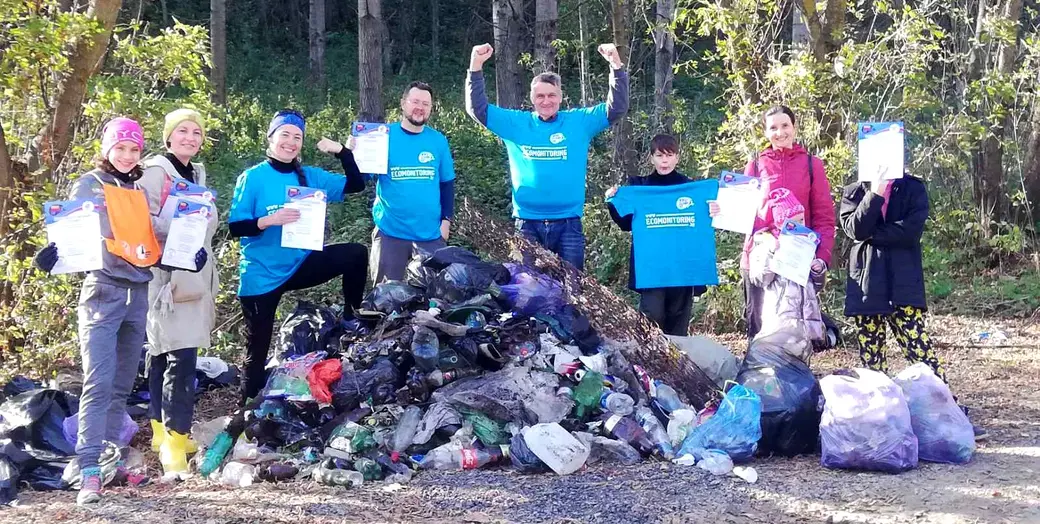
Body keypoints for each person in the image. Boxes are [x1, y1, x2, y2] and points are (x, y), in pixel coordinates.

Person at [32, 117, 207, 505]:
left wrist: (184, 258)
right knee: (98, 383)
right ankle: (89, 469)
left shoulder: (135, 189)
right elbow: (70, 234)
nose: (127, 156)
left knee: (121, 386)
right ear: (107, 148)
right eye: (120, 148)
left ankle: (110, 461)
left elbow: (145, 245)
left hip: (138, 293)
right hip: (103, 293)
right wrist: (52, 255)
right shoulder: (90, 183)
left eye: (134, 149)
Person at [229, 110, 368, 405]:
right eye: (285, 135)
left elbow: (356, 185)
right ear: (271, 138)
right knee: (257, 349)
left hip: (300, 264)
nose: (291, 142)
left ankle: (350, 317)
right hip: (262, 275)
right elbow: (235, 227)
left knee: (356, 253)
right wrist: (268, 221)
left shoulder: (310, 176)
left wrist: (342, 152)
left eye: (297, 137)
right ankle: (247, 406)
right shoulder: (252, 178)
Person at [839, 172, 986, 439]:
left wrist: (874, 233)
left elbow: (910, 231)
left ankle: (951, 414)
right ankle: (880, 424)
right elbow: (856, 230)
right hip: (867, 284)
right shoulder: (854, 190)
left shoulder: (913, 188)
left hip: (903, 283)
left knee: (921, 352)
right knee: (872, 361)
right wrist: (876, 193)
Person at [465, 42, 629, 270]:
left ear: (561, 96)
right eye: (540, 96)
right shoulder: (517, 124)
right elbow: (478, 109)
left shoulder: (578, 122)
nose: (546, 101)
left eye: (552, 95)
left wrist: (616, 66)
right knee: (528, 292)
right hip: (527, 224)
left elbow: (616, 108)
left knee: (573, 293)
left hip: (568, 225)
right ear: (532, 98)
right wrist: (475, 67)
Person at [138, 108, 217, 482]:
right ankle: (175, 441)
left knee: (164, 352)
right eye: (182, 131)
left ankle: (159, 430)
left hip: (193, 274)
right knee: (181, 357)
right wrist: (183, 224)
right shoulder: (156, 171)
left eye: (196, 132)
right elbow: (144, 220)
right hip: (165, 277)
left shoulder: (195, 173)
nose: (190, 137)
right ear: (168, 137)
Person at [712, 105, 836, 341]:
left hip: (797, 259)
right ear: (766, 133)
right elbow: (743, 215)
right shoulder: (756, 165)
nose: (780, 132)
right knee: (759, 334)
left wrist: (822, 256)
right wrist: (721, 209)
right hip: (759, 260)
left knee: (796, 336)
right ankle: (757, 378)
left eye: (785, 125)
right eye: (773, 128)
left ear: (794, 127)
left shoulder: (812, 165)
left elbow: (824, 217)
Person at [351, 82, 456, 284]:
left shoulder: (438, 140)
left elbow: (447, 184)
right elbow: (361, 180)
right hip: (391, 233)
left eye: (426, 104)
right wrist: (353, 155)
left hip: (430, 234)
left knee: (432, 299)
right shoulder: (381, 137)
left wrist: (446, 222)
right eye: (415, 101)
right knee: (386, 299)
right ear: (403, 103)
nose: (420, 107)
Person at [605, 134, 706, 336]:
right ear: (652, 158)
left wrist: (714, 209)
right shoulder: (641, 187)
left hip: (682, 266)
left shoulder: (691, 188)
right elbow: (626, 224)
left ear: (677, 157)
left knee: (678, 322)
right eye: (660, 155)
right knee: (651, 320)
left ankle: (677, 366)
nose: (665, 160)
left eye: (669, 155)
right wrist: (612, 201)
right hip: (652, 267)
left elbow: (703, 223)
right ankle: (650, 364)